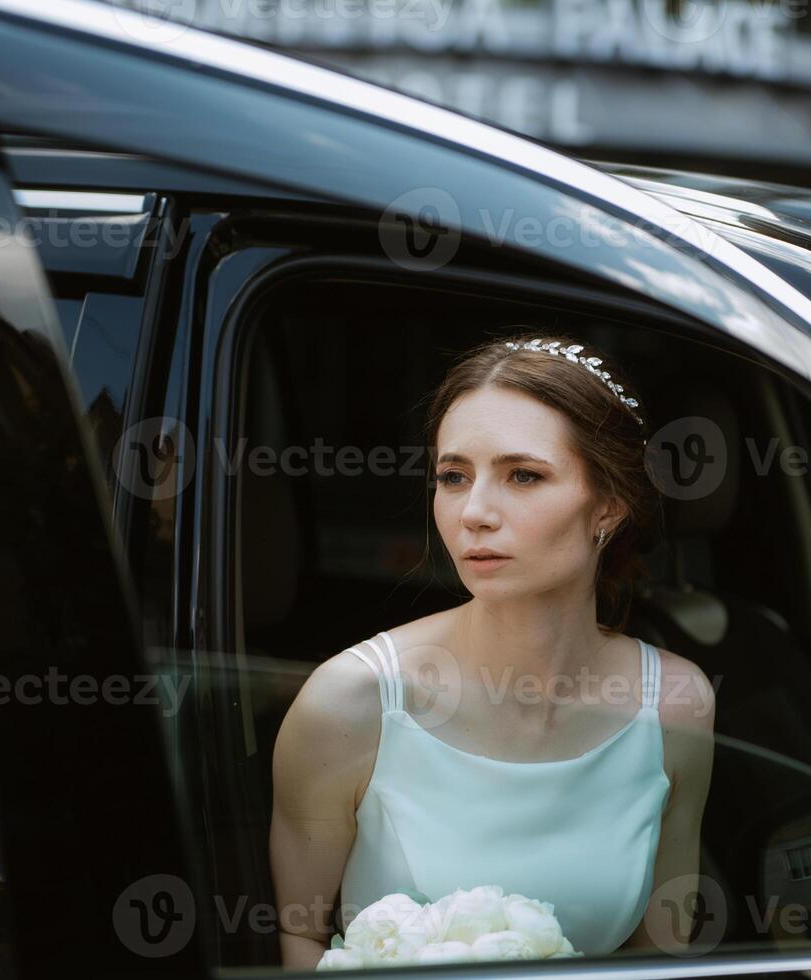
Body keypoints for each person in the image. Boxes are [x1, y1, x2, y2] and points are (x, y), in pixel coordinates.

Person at [269, 333, 716, 969]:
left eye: (523, 475)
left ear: (610, 506)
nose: (474, 511)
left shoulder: (676, 704)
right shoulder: (350, 702)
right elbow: (295, 939)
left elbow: (661, 958)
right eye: (453, 476)